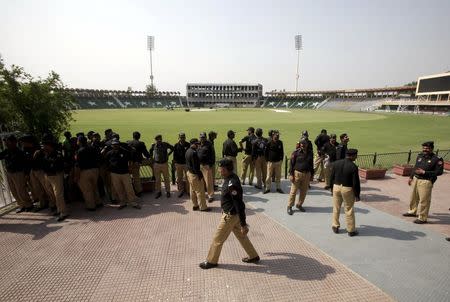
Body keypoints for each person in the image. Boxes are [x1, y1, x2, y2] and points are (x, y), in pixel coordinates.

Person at [199, 158, 259, 269]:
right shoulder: (230, 178)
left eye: (220, 168)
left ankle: (212, 261)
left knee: (217, 239)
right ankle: (253, 255)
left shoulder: (232, 184)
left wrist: (243, 223)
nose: (219, 170)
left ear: (226, 169)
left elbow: (239, 204)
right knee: (242, 237)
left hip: (230, 216)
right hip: (232, 215)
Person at [402, 141, 444, 224]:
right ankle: (412, 212)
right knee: (413, 197)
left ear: (432, 149)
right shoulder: (420, 156)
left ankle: (422, 218)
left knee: (424, 200)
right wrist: (411, 177)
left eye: (427, 148)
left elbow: (439, 172)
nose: (425, 150)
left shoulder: (437, 159)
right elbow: (415, 167)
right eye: (424, 148)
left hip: (426, 181)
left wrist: (424, 172)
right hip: (416, 179)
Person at [330, 149, 361, 236]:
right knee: (349, 209)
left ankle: (335, 226)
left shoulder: (336, 163)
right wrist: (357, 195)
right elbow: (356, 183)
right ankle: (351, 230)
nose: (356, 157)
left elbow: (331, 176)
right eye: (355, 155)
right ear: (352, 156)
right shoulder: (353, 166)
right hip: (347, 189)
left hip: (336, 187)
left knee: (336, 208)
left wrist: (331, 188)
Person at [0, 135, 34, 213]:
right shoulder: (7, 151)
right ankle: (21, 205)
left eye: (8, 141)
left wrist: (26, 174)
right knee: (14, 190)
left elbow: (25, 164)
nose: (7, 143)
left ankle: (28, 205)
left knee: (21, 190)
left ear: (14, 142)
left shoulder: (19, 152)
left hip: (18, 173)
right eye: (6, 142)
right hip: (9, 173)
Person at [104, 139, 141, 210]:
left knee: (129, 188)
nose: (115, 146)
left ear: (119, 144)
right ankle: (123, 202)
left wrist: (130, 168)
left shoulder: (125, 152)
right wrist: (109, 171)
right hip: (114, 174)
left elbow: (130, 160)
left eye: (117, 144)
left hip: (125, 173)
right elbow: (107, 163)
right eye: (114, 145)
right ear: (112, 145)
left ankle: (133, 202)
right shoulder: (109, 153)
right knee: (119, 189)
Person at [42, 138, 69, 221]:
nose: (43, 147)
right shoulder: (46, 154)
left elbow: (56, 164)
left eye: (45, 145)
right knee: (51, 193)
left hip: (56, 176)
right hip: (47, 176)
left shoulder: (57, 154)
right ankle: (58, 209)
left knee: (58, 194)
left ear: (50, 146)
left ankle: (63, 212)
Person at [74, 136, 102, 211]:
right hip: (95, 170)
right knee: (94, 187)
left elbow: (78, 165)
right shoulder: (93, 148)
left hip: (85, 172)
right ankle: (98, 202)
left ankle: (91, 206)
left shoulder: (79, 151)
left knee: (87, 190)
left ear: (79, 142)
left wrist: (76, 176)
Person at [287, 139, 313, 214]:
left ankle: (299, 204)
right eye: (301, 144)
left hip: (307, 174)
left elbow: (311, 164)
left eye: (304, 144)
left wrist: (312, 174)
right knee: (293, 191)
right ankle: (289, 206)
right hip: (297, 174)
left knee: (304, 192)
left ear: (307, 144)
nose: (302, 145)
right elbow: (291, 164)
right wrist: (291, 174)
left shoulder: (310, 153)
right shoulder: (295, 153)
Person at [185, 138, 209, 211]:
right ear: (192, 144)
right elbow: (196, 167)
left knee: (192, 190)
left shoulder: (187, 151)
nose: (198, 145)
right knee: (200, 191)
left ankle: (195, 205)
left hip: (189, 173)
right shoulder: (194, 153)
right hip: (195, 175)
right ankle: (203, 207)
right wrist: (200, 175)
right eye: (196, 144)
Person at [149, 134, 174, 198]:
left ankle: (168, 192)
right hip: (156, 164)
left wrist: (168, 154)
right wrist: (151, 158)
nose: (159, 140)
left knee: (166, 179)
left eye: (160, 139)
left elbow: (172, 148)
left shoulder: (165, 144)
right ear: (156, 140)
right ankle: (158, 192)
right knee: (157, 179)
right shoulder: (153, 145)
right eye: (158, 140)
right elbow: (150, 151)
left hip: (164, 164)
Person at [127, 131, 151, 196]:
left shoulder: (128, 142)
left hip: (128, 163)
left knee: (128, 178)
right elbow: (146, 154)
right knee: (136, 178)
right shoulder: (141, 143)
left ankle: (129, 191)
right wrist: (149, 157)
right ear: (139, 137)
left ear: (133, 136)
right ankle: (138, 191)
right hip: (136, 162)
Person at [198, 132, 215, 202]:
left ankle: (210, 195)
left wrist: (211, 165)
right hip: (199, 165)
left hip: (206, 165)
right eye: (201, 137)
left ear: (205, 137)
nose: (202, 138)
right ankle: (203, 194)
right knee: (200, 181)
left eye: (203, 137)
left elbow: (213, 155)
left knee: (208, 181)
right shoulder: (198, 144)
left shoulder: (209, 144)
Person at [173, 132, 191, 197]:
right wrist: (175, 164)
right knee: (179, 178)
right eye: (181, 137)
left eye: (183, 137)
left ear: (185, 137)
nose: (182, 138)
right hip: (178, 164)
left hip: (186, 164)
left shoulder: (188, 145)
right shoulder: (176, 145)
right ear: (179, 138)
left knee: (188, 178)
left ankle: (188, 191)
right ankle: (181, 191)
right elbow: (174, 155)